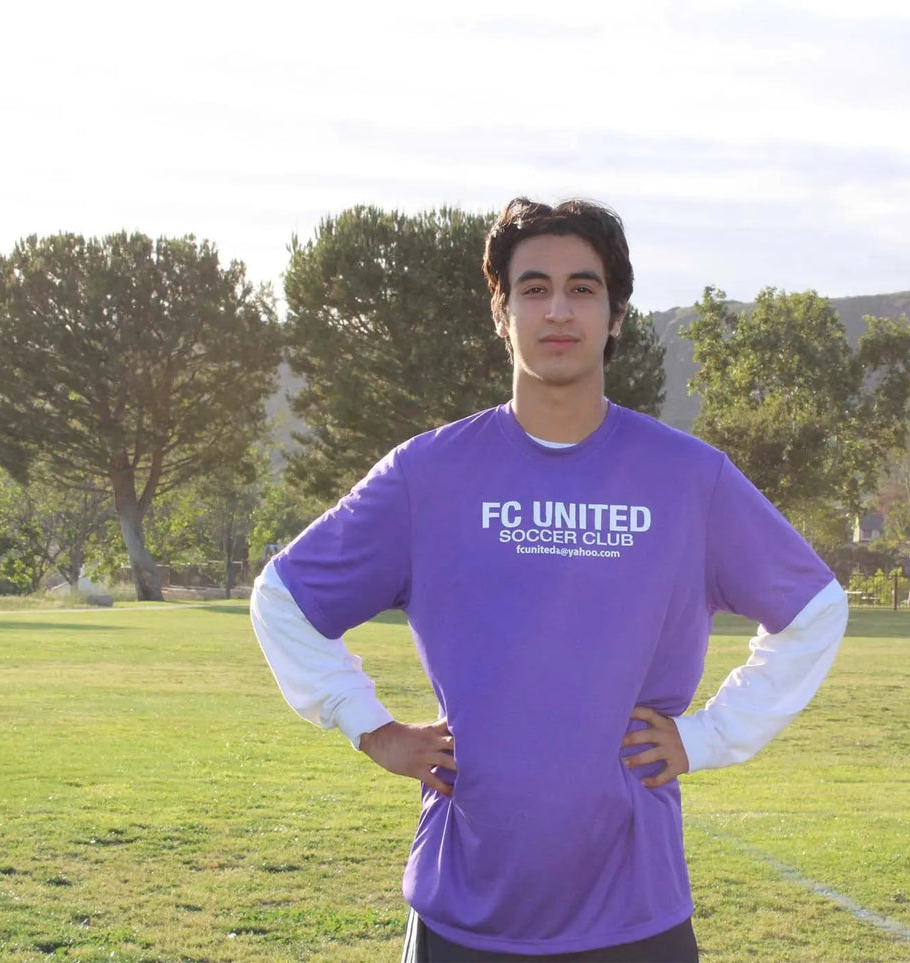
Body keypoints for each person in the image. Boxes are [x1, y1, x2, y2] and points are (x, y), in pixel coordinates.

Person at [250, 197, 848, 962]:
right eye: (532, 288)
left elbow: (814, 608)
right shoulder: (427, 475)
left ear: (617, 313)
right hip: (464, 907)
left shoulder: (686, 478)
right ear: (500, 312)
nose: (557, 309)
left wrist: (711, 735)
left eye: (582, 287)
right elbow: (283, 599)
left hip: (636, 911)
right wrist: (372, 728)